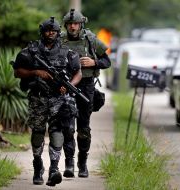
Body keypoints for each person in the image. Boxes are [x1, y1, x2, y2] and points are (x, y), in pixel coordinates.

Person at [13, 16, 82, 186]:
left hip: (59, 99)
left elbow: (78, 72)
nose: (50, 33)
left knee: (57, 131)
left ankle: (53, 168)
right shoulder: (31, 51)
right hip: (38, 98)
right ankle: (38, 164)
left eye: (54, 31)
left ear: (59, 32)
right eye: (47, 30)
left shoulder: (67, 52)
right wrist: (36, 72)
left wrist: (69, 85)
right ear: (42, 32)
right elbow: (17, 71)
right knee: (37, 132)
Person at [61, 9, 111, 178]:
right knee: (67, 127)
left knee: (83, 127)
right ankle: (69, 163)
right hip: (66, 85)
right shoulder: (60, 40)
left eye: (75, 23)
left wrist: (94, 62)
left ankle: (82, 164)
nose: (73, 26)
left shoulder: (90, 39)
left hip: (86, 86)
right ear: (66, 25)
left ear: (81, 24)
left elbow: (107, 61)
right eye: (70, 24)